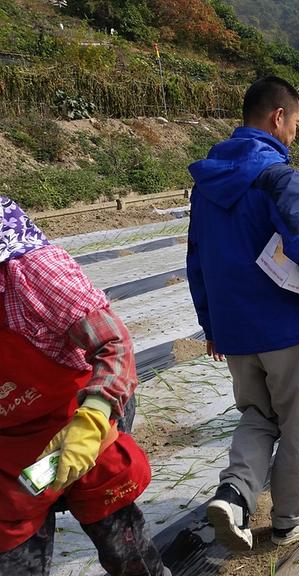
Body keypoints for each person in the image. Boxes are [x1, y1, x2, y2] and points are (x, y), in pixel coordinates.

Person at [187, 76, 299, 551]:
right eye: (297, 122)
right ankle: (289, 520)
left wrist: (210, 324)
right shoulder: (278, 176)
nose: (296, 134)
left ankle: (234, 494)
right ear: (277, 117)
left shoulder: (206, 184)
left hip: (234, 330)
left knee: (256, 415)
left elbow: (197, 259)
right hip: (284, 326)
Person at [0, 197, 168, 576]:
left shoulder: (32, 272)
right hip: (11, 450)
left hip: (76, 418)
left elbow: (114, 344)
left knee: (125, 547)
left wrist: (93, 418)